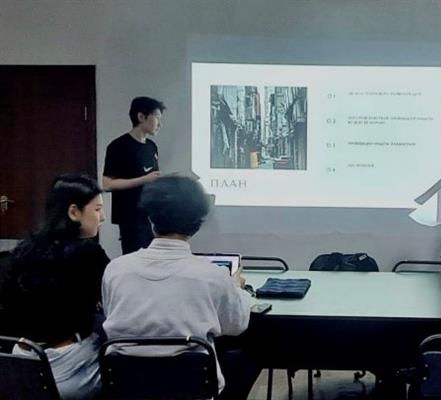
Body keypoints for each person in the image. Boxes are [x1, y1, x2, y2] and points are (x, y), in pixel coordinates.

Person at [101, 176, 259, 399]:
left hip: (126, 388)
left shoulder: (115, 270)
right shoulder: (213, 276)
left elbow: (111, 314)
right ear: (198, 222)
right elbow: (236, 326)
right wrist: (236, 289)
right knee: (250, 353)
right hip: (193, 390)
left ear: (150, 217)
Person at [1, 174, 108, 400]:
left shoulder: (23, 249)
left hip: (19, 364)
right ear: (74, 212)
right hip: (65, 371)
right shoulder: (89, 254)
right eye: (98, 210)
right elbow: (113, 301)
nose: (103, 217)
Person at [103, 96, 165, 254]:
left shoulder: (151, 146)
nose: (160, 124)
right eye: (157, 118)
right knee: (136, 260)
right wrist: (144, 179)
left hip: (151, 216)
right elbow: (107, 184)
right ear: (141, 117)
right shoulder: (119, 146)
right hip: (130, 218)